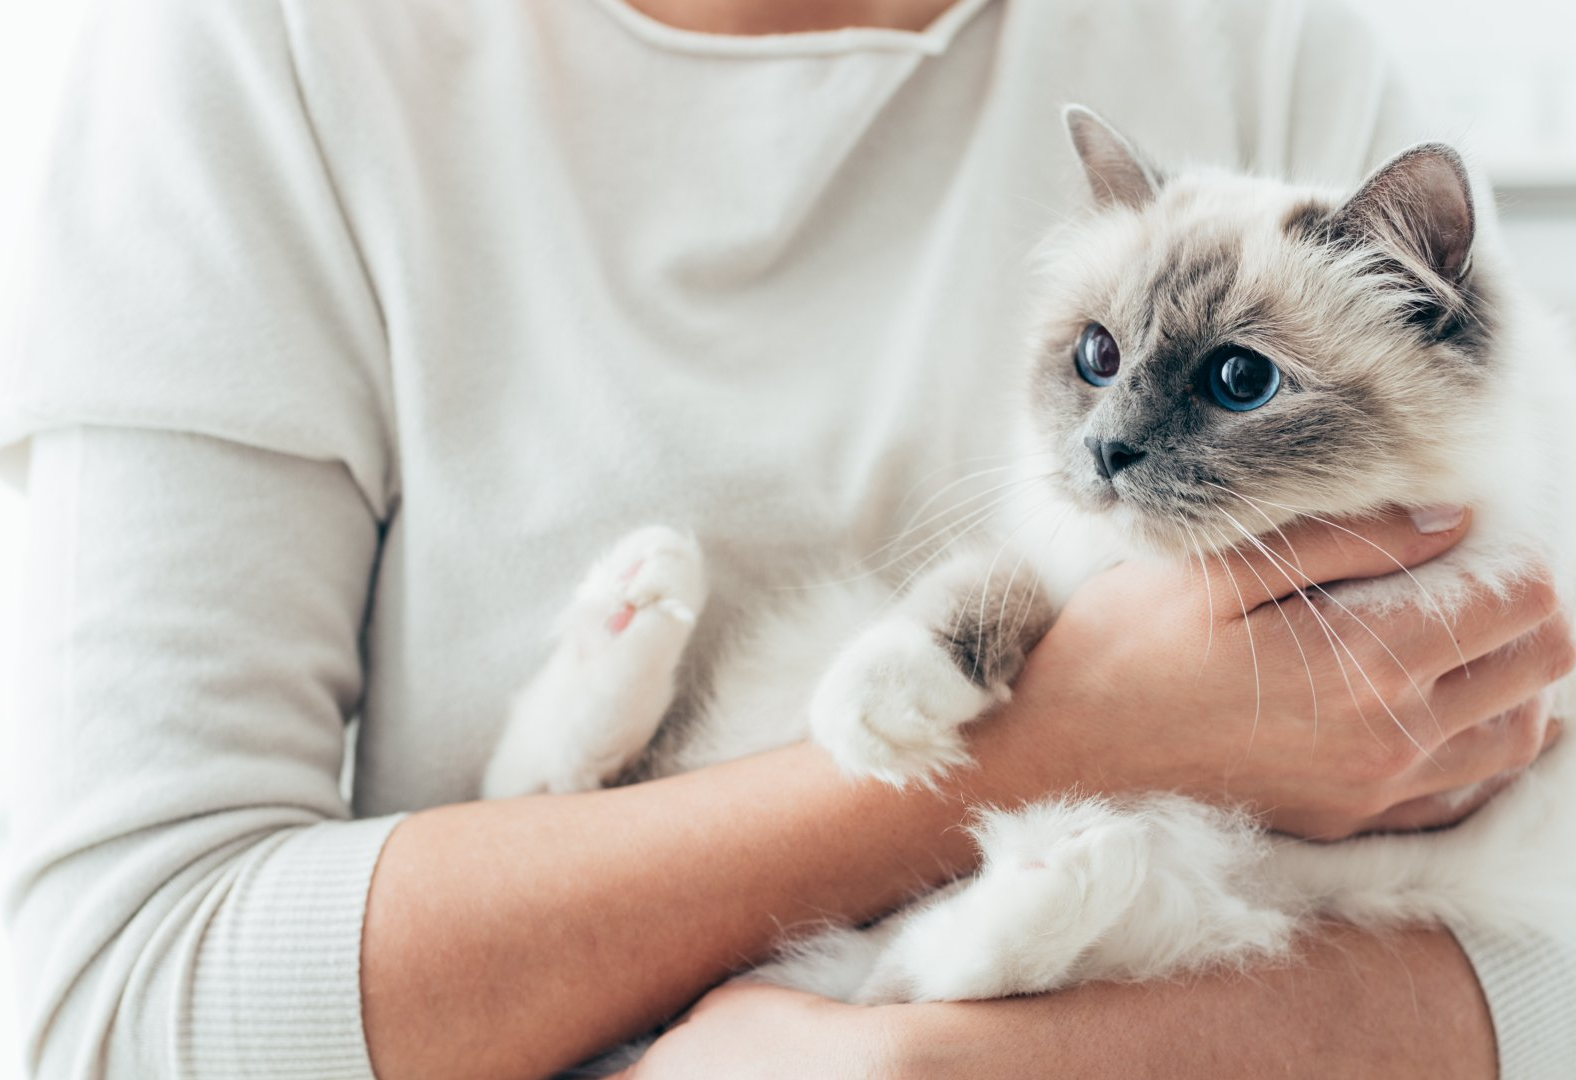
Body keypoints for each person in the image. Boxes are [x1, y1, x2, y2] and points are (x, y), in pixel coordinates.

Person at [2, 0, 1573, 1077]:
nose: (1117, 435)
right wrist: (1049, 742)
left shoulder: (1258, 40)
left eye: (1229, 383)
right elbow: (112, 1003)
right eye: (1097, 369)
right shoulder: (247, 55)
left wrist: (970, 1061)